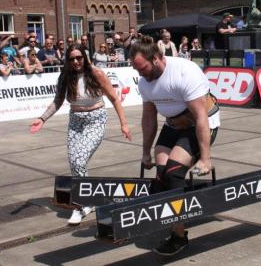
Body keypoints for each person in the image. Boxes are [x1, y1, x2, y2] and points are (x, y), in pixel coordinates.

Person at [129, 36, 220, 256]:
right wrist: (145, 152)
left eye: (143, 69)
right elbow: (149, 118)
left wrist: (205, 158)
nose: (141, 75)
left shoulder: (184, 72)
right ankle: (172, 224)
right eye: (137, 71)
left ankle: (179, 237)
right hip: (172, 127)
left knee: (173, 173)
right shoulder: (144, 82)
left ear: (157, 58)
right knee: (162, 175)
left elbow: (200, 117)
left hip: (199, 125)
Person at [30, 44, 132, 225]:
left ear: (85, 57)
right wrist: (42, 118)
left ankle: (81, 204)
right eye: (72, 59)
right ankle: (87, 201)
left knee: (79, 160)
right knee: (75, 163)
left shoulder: (96, 73)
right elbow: (58, 101)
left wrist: (124, 124)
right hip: (75, 121)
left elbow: (114, 99)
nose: (76, 62)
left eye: (79, 58)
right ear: (67, 61)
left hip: (96, 120)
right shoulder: (65, 77)